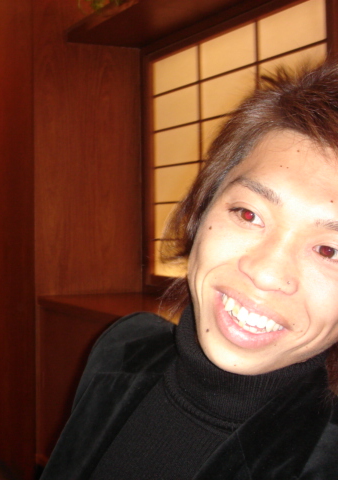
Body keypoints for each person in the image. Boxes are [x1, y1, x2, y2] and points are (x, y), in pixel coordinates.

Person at [41, 59, 338, 479]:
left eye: (329, 250)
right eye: (248, 214)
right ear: (201, 210)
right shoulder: (124, 348)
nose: (266, 273)